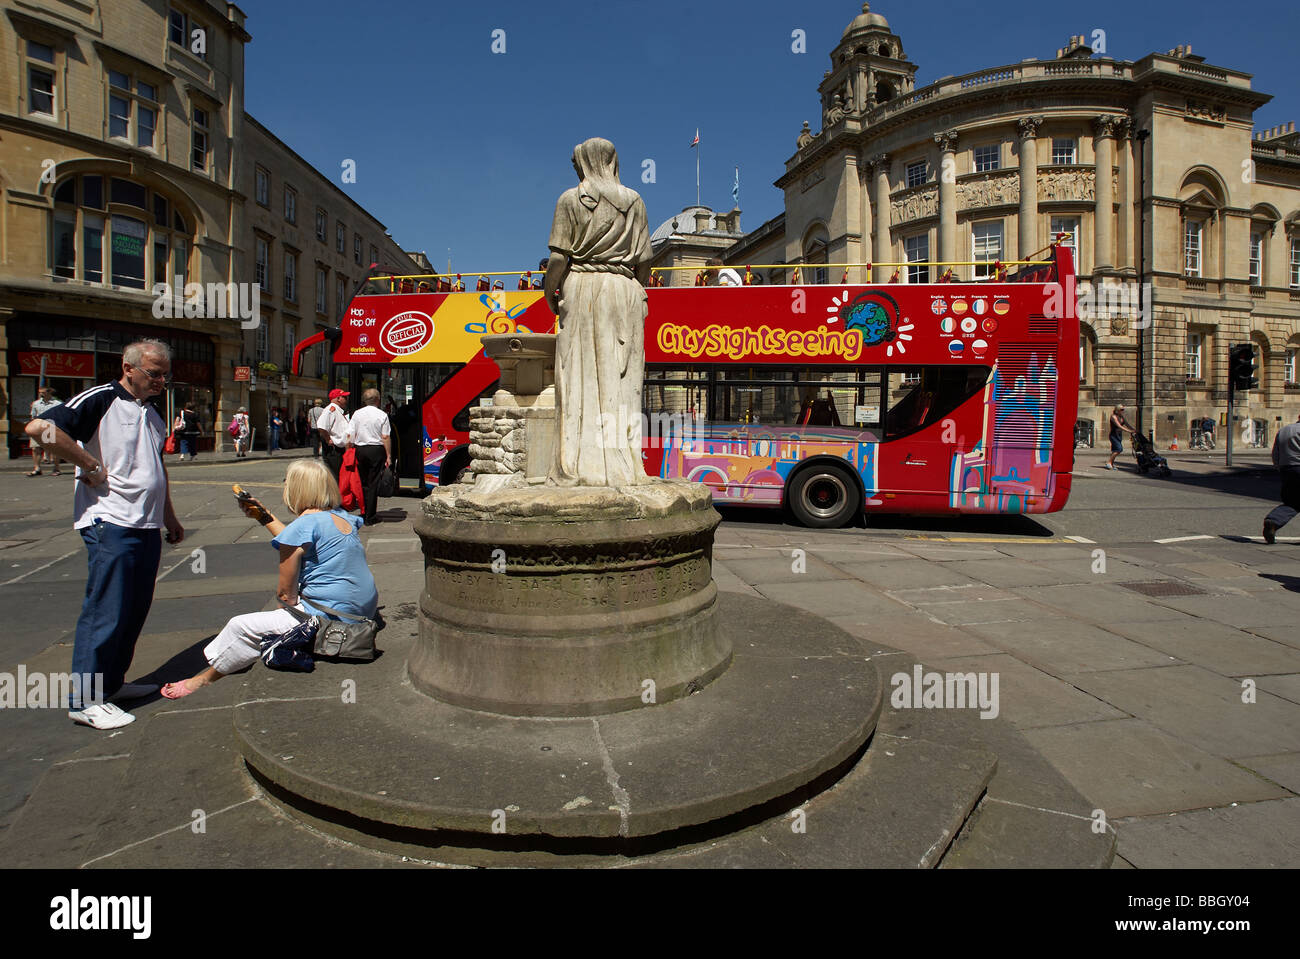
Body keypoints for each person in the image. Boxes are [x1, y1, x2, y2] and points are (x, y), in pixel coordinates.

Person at [25, 339, 185, 729]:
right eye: (154, 373)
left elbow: (156, 472)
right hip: (111, 521)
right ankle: (84, 700)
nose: (161, 381)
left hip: (145, 524)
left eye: (165, 374)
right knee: (106, 611)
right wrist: (89, 463)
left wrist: (170, 517)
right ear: (128, 368)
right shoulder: (101, 398)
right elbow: (37, 429)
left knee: (132, 611)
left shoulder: (152, 413)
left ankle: (111, 685)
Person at [159, 460, 378, 698]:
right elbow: (298, 539)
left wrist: (282, 624)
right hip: (363, 608)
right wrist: (264, 517)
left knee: (239, 626)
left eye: (287, 481)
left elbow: (286, 595)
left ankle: (202, 680)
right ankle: (223, 666)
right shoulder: (341, 517)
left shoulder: (304, 525)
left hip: (331, 616)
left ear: (297, 489)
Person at [543, 137, 652, 486]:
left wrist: (550, 292)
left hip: (582, 285)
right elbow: (645, 261)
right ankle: (625, 465)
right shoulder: (635, 199)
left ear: (585, 163)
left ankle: (578, 465)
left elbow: (559, 258)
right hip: (624, 289)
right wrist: (637, 288)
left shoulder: (569, 199)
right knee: (625, 380)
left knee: (576, 377)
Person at [349, 389, 392, 525]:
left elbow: (350, 434)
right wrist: (388, 455)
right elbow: (385, 437)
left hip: (360, 449)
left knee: (362, 482)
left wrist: (349, 450)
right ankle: (370, 516)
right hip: (376, 450)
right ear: (378, 400)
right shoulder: (382, 415)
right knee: (373, 482)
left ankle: (363, 511)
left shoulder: (357, 414)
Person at [1262, 413, 1300, 544]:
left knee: (1293, 501)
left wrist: (1279, 467)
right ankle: (1273, 522)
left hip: (1287, 469)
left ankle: (1273, 521)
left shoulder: (1284, 430)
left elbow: (1275, 451)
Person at [27, 386, 64, 475]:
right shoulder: (36, 404)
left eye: (43, 392)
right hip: (38, 426)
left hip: (50, 426)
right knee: (36, 448)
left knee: (54, 449)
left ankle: (56, 468)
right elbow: (33, 416)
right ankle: (37, 468)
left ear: (49, 393)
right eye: (40, 392)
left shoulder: (57, 403)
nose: (41, 394)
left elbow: (61, 416)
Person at [318, 388, 352, 483]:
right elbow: (321, 426)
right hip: (334, 449)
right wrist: (328, 439)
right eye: (344, 397)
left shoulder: (338, 411)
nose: (346, 399)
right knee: (334, 476)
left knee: (339, 475)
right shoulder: (331, 409)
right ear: (338, 398)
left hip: (339, 448)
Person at [1105, 405, 1136, 470]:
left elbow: (1127, 424)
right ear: (1117, 410)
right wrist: (1129, 431)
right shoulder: (1113, 416)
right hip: (1113, 435)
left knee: (1115, 450)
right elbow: (1119, 426)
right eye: (1121, 409)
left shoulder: (1121, 417)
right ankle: (1109, 462)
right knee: (1119, 449)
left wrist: (1134, 430)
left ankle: (1111, 464)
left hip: (1119, 435)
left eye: (1123, 409)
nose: (1123, 411)